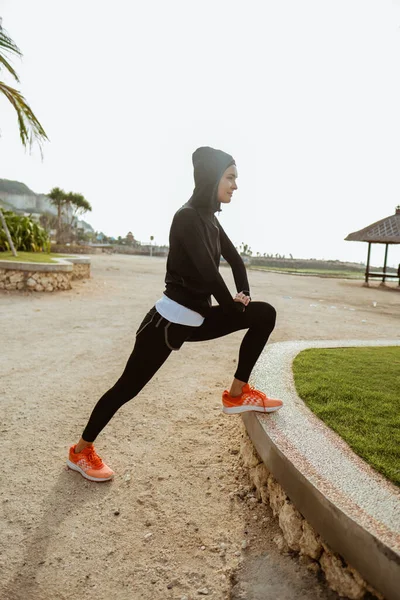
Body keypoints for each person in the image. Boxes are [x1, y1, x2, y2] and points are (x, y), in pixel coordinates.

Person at [67, 146, 283, 482]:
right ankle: (80, 452)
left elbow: (236, 262)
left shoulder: (210, 219)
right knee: (126, 388)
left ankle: (237, 394)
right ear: (212, 179)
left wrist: (244, 298)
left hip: (198, 318)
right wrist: (231, 307)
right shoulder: (186, 218)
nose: (235, 186)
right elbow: (210, 275)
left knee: (263, 314)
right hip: (166, 324)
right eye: (230, 177)